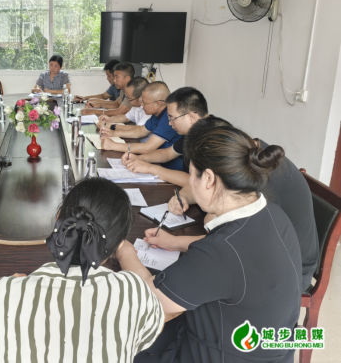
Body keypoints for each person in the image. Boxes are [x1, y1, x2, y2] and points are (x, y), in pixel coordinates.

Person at [118, 122, 302, 363]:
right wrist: (175, 242)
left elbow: (149, 299)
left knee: (121, 340)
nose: (189, 182)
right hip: (268, 349)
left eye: (191, 174)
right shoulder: (273, 214)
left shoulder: (218, 253)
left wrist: (123, 249)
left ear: (208, 178)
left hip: (222, 355)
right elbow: (234, 251)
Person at [0, 178, 166, 363]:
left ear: (58, 222)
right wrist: (126, 253)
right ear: (117, 243)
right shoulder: (134, 293)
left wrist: (1, 293)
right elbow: (152, 321)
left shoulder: (6, 293)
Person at [164, 116, 319, 291]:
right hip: (267, 250)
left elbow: (230, 237)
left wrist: (173, 242)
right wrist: (184, 195)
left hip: (290, 270)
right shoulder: (251, 156)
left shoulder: (259, 178)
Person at [122, 87, 209, 186]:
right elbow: (167, 153)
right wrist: (139, 158)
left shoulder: (211, 139)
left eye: (172, 118)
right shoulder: (193, 131)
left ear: (191, 117)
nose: (170, 123)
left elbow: (195, 183)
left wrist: (151, 168)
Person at [100, 82, 183, 171]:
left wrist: (114, 146)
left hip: (170, 168)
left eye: (145, 103)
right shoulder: (157, 115)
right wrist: (113, 133)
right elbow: (140, 131)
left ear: (158, 104)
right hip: (155, 161)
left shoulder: (169, 118)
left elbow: (148, 147)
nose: (141, 105)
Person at [96, 77, 151, 142]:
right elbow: (125, 117)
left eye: (129, 98)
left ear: (140, 98)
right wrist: (110, 119)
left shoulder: (149, 110)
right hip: (137, 140)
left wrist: (111, 126)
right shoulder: (136, 106)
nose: (127, 100)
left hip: (144, 144)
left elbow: (138, 129)